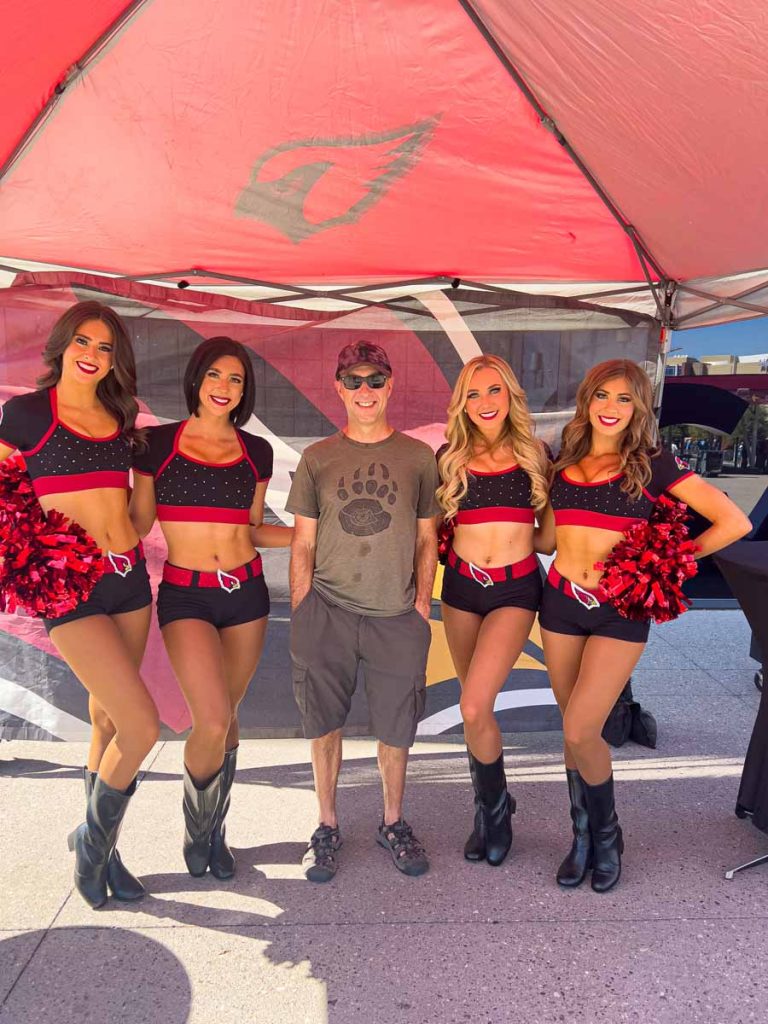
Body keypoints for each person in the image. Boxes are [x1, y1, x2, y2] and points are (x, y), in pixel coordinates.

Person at [536, 359, 751, 893]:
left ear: (638, 409)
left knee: (582, 728)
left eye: (624, 399)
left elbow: (735, 522)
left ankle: (608, 836)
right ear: (587, 401)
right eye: (602, 396)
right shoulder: (563, 461)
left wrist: (671, 561)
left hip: (619, 610)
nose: (611, 408)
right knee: (572, 726)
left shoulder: (652, 463)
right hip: (560, 602)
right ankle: (581, 835)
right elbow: (544, 542)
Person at [0, 301, 157, 909]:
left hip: (129, 582)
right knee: (143, 726)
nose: (93, 356)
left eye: (106, 348)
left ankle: (106, 846)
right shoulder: (26, 414)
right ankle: (90, 847)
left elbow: (136, 521)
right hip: (70, 590)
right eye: (84, 343)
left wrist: (145, 472)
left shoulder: (122, 417)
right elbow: (7, 505)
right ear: (63, 345)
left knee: (111, 721)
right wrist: (38, 564)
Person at [130, 336, 289, 879]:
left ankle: (216, 831)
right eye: (216, 376)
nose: (225, 387)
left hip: (246, 594)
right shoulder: (155, 444)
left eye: (236, 380)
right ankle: (196, 834)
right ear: (196, 379)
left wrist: (310, 537)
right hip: (186, 594)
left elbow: (254, 529)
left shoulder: (256, 451)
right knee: (212, 718)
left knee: (230, 718)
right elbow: (136, 523)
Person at [287, 341, 439, 882]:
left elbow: (428, 539)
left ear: (391, 385)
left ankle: (392, 821)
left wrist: (422, 603)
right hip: (325, 609)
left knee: (397, 728)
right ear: (338, 388)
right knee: (323, 724)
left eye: (375, 380)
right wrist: (303, 608)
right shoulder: (317, 457)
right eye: (353, 380)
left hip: (396, 613)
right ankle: (326, 825)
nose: (364, 390)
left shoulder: (419, 458)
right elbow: (302, 543)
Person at [436, 355, 549, 865]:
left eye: (494, 391)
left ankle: (498, 810)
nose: (485, 403)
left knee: (476, 705)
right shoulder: (448, 457)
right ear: (462, 403)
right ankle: (487, 809)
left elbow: (549, 535)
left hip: (514, 590)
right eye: (474, 394)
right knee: (471, 706)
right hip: (461, 589)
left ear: (511, 397)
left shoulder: (536, 456)